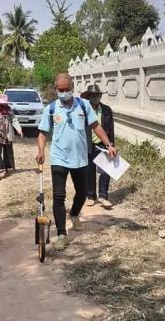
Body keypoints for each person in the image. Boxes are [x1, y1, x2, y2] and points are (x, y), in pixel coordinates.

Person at [36, 73, 117, 251]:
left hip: (80, 158)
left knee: (82, 192)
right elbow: (42, 132)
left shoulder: (83, 105)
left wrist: (108, 144)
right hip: (59, 158)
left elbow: (96, 126)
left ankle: (74, 214)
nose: (64, 93)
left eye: (67, 89)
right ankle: (61, 234)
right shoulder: (51, 109)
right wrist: (41, 151)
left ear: (73, 88)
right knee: (59, 196)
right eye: (60, 90)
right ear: (56, 89)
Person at [81, 84, 115, 209]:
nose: (96, 98)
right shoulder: (83, 110)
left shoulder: (106, 110)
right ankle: (91, 196)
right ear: (88, 97)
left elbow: (110, 129)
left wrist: (111, 145)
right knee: (89, 171)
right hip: (88, 144)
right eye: (93, 96)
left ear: (100, 96)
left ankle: (103, 196)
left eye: (98, 95)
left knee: (106, 171)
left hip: (103, 145)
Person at [0, 94, 23, 180]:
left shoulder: (10, 110)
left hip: (7, 134)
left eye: (4, 103)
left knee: (8, 152)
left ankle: (7, 168)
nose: (2, 104)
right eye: (1, 103)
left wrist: (19, 129)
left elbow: (14, 120)